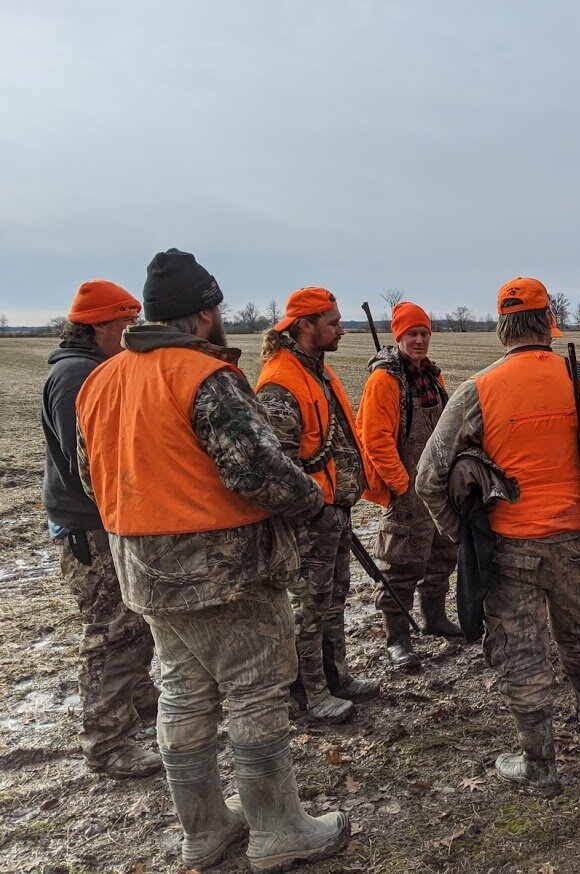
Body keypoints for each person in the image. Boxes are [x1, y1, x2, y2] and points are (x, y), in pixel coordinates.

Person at [75, 249, 349, 871]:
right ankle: (278, 831)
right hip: (225, 571)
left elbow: (94, 481)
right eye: (217, 308)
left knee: (182, 694)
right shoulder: (203, 376)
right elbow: (254, 468)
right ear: (204, 313)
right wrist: (310, 500)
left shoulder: (103, 379)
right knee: (254, 692)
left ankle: (204, 830)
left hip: (142, 571)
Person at [415, 277, 580, 795]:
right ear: (549, 322)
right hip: (575, 542)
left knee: (522, 653)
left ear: (501, 326)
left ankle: (540, 765)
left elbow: (428, 478)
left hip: (509, 550)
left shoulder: (477, 391)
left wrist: (464, 537)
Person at [41, 280, 160, 779]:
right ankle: (107, 743)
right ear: (98, 326)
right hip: (90, 529)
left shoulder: (92, 368)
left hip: (104, 521)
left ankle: (137, 702)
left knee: (132, 622)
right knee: (112, 632)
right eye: (125, 323)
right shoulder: (75, 376)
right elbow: (87, 463)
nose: (131, 331)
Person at [255, 287, 380, 724]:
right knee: (308, 606)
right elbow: (276, 464)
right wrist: (313, 508)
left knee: (333, 600)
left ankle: (335, 678)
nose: (341, 329)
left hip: (334, 512)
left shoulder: (314, 371)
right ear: (305, 325)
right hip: (312, 518)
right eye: (333, 322)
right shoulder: (280, 383)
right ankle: (307, 695)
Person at [356, 301, 462, 670]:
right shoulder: (384, 381)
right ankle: (396, 638)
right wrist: (402, 486)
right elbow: (375, 439)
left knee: (442, 555)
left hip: (436, 485)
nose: (419, 340)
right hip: (407, 489)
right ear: (398, 336)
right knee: (400, 563)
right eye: (411, 334)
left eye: (423, 333)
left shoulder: (433, 377)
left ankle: (434, 619)